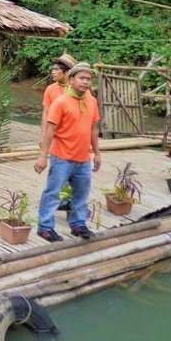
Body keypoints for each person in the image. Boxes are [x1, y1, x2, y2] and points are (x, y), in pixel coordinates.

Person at [34, 62, 101, 242]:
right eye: (82, 78)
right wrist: (43, 156)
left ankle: (78, 224)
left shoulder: (92, 101)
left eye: (88, 79)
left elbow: (93, 129)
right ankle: (45, 227)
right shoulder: (61, 102)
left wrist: (97, 154)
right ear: (71, 79)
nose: (85, 82)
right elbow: (50, 130)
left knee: (81, 193)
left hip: (83, 158)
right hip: (62, 158)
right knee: (52, 192)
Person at [41, 53, 77, 143]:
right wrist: (43, 136)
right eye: (53, 69)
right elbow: (46, 113)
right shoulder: (50, 89)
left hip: (73, 135)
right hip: (54, 134)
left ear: (67, 71)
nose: (53, 72)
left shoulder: (77, 90)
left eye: (57, 69)